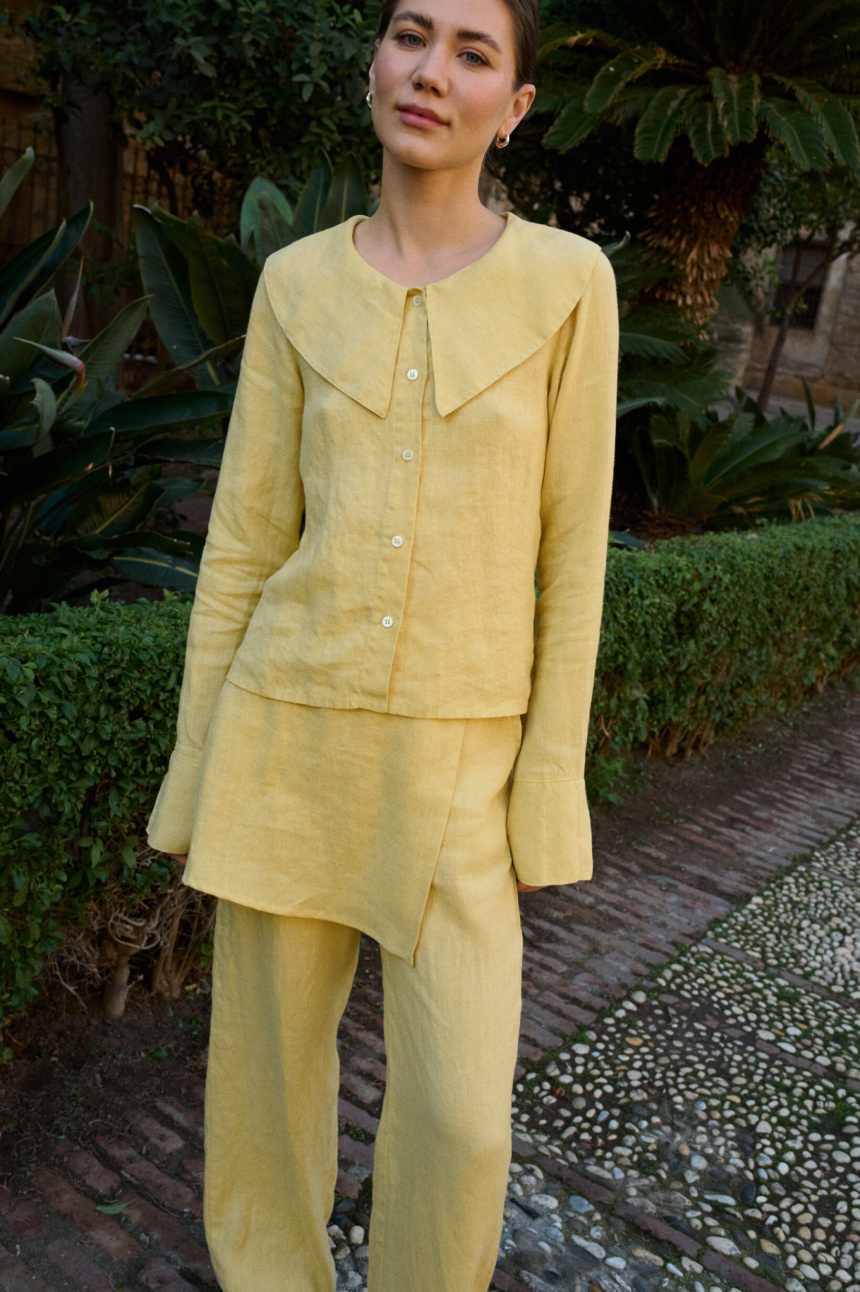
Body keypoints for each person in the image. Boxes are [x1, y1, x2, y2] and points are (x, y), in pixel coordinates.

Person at [146, 0, 618, 1283]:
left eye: (473, 52)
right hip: (283, 740)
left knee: (462, 1120)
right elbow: (243, 543)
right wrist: (195, 769)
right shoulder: (294, 282)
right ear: (374, 61)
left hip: (462, 773)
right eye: (413, 34)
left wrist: (542, 788)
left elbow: (572, 558)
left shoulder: (570, 282)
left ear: (512, 106)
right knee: (263, 1100)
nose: (432, 70)